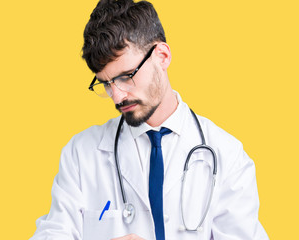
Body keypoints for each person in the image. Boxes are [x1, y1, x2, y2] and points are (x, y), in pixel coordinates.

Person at [30, 0, 269, 239]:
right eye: (106, 83)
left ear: (162, 56)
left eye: (126, 77)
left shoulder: (228, 155)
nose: (117, 97)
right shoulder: (81, 153)